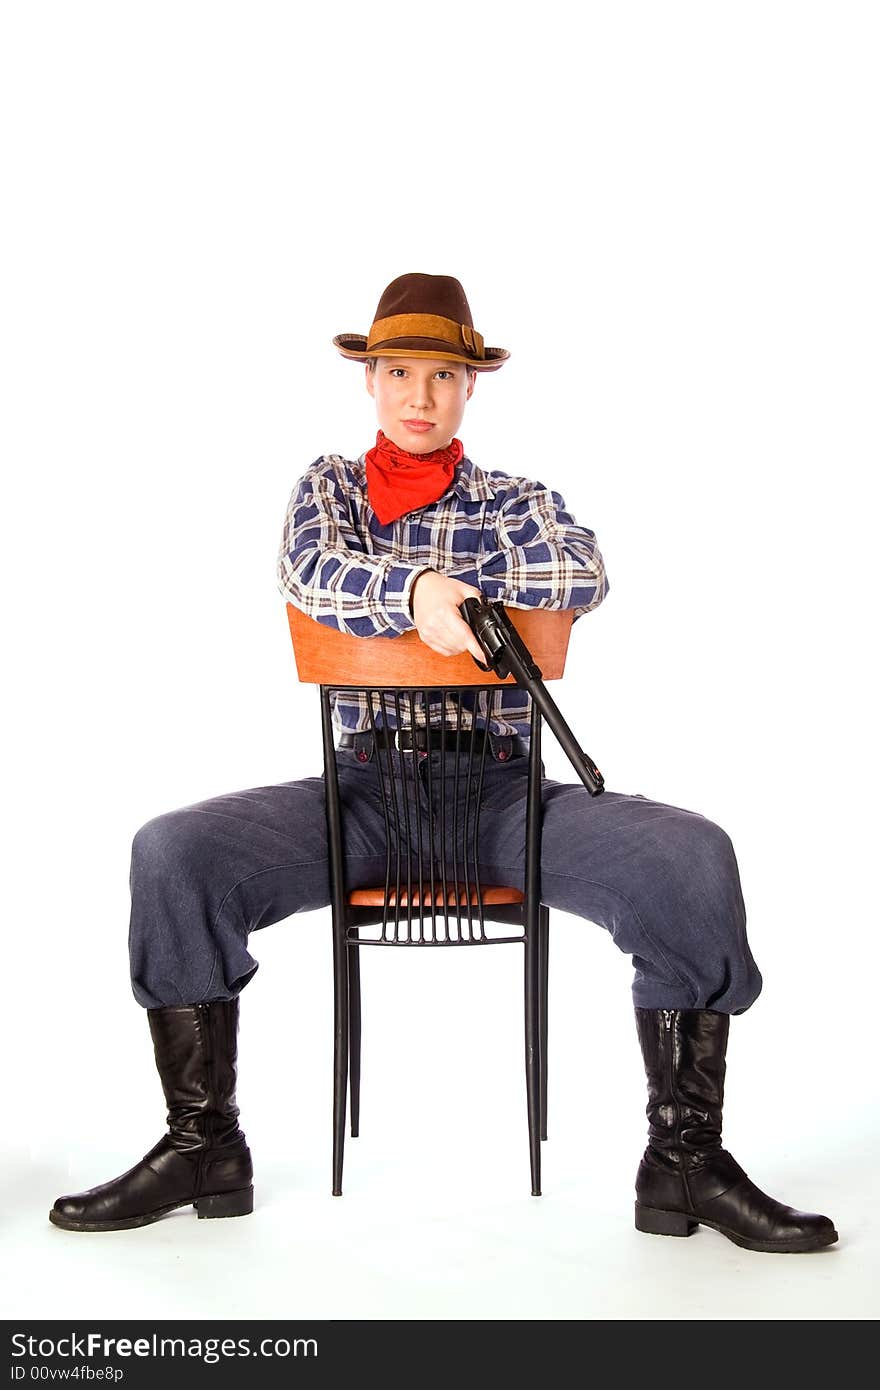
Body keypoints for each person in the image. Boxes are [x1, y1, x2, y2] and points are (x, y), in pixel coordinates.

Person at [50, 273, 838, 1254]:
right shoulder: (330, 489)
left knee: (690, 858)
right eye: (397, 373)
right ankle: (203, 1142)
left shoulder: (514, 500)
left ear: (470, 388)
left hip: (503, 793)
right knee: (172, 852)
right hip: (367, 796)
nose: (418, 395)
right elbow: (310, 572)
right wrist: (417, 589)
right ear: (369, 382)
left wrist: (461, 593)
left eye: (440, 375)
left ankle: (682, 1159)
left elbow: (578, 572)